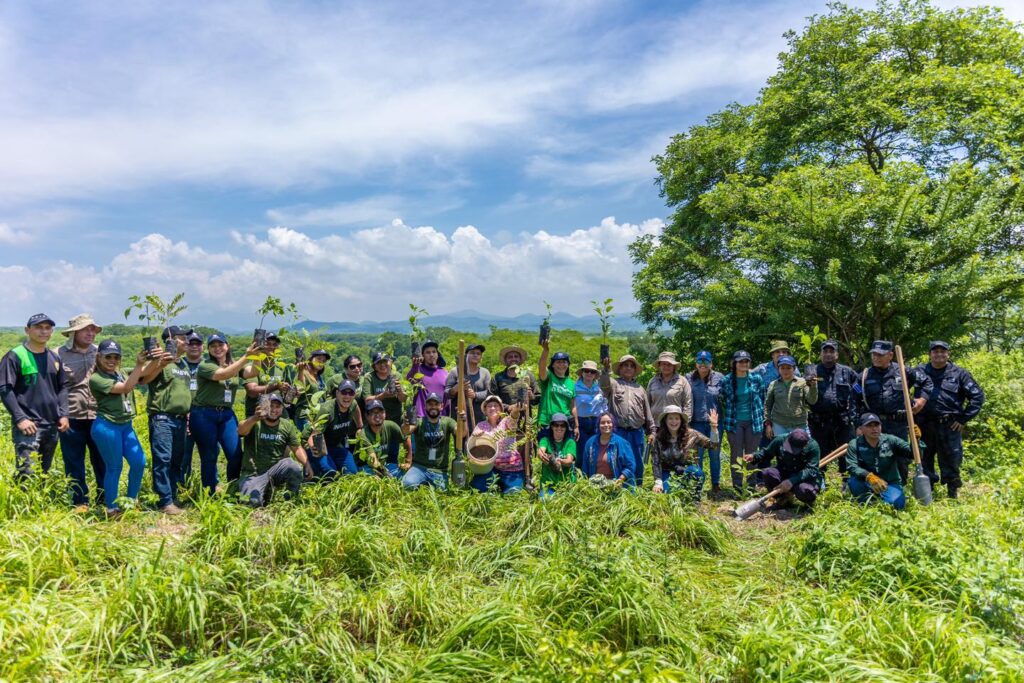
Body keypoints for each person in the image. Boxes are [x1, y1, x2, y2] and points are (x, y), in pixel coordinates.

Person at [88, 340, 154, 517]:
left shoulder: (121, 373)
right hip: (107, 426)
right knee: (114, 467)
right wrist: (140, 364)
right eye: (107, 356)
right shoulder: (97, 379)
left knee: (139, 462)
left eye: (116, 357)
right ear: (98, 357)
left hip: (125, 426)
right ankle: (111, 508)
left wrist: (157, 360)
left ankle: (130, 503)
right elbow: (126, 387)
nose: (112, 360)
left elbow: (143, 374)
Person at [0, 313, 69, 481]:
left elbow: (63, 387)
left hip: (52, 424)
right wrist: (20, 418)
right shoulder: (15, 356)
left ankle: (40, 507)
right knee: (27, 474)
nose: (43, 331)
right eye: (38, 327)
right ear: (27, 330)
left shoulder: (54, 357)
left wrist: (64, 414)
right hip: (29, 425)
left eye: (47, 328)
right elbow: (4, 389)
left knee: (44, 473)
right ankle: (26, 506)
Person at [190, 334, 261, 495]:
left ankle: (233, 489)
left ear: (227, 346)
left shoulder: (234, 365)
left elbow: (253, 371)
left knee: (235, 454)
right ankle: (209, 493)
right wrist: (246, 356)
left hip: (226, 414)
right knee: (209, 455)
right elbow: (222, 375)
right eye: (213, 346)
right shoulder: (205, 365)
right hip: (204, 414)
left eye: (220, 344)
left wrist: (256, 356)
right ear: (208, 350)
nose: (217, 348)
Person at [915, 341, 985, 498]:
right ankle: (927, 492)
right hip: (923, 424)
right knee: (924, 458)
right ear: (930, 354)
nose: (939, 354)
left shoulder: (959, 374)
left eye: (942, 351)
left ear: (948, 354)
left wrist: (963, 419)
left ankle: (952, 493)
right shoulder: (919, 372)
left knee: (952, 459)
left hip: (949, 425)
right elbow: (903, 389)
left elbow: (977, 397)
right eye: (935, 351)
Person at [140, 325, 195, 514]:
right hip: (163, 418)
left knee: (176, 460)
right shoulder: (161, 359)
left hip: (180, 420)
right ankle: (164, 501)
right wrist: (159, 364)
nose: (187, 341)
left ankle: (172, 496)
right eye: (182, 338)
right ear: (170, 339)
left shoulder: (183, 364)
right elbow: (144, 379)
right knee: (163, 459)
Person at [859, 340, 932, 482]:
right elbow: (854, 399)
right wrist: (858, 424)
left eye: (880, 355)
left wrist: (921, 400)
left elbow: (926, 382)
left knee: (901, 458)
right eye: (874, 354)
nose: (876, 357)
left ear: (890, 355)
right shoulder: (864, 376)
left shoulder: (904, 371)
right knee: (874, 458)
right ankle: (876, 492)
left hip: (899, 424)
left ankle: (900, 489)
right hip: (874, 425)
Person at [57, 314, 106, 510]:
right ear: (74, 333)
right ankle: (79, 501)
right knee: (74, 461)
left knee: (102, 459)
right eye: (86, 329)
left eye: (93, 329)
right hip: (71, 416)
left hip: (98, 414)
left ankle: (105, 499)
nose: (90, 333)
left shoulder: (101, 353)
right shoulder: (58, 354)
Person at [237, 393, 310, 507]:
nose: (274, 410)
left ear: (282, 409)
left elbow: (297, 448)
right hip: (254, 473)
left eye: (277, 406)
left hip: (276, 470)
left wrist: (307, 464)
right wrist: (255, 418)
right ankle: (264, 490)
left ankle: (289, 502)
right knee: (252, 503)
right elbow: (241, 430)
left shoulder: (286, 425)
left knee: (293, 467)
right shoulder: (255, 423)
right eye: (271, 406)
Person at [599, 354, 656, 483]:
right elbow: (603, 384)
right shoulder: (614, 384)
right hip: (619, 431)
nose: (628, 368)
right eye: (625, 365)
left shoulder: (640, 389)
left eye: (631, 366)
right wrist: (605, 369)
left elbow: (647, 411)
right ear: (619, 368)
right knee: (619, 459)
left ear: (635, 370)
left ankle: (637, 488)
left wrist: (651, 431)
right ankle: (618, 486)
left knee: (637, 461)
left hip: (637, 432)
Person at [807, 340, 859, 477]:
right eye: (825, 351)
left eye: (832, 351)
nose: (828, 354)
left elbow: (859, 391)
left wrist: (854, 414)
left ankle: (847, 482)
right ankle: (819, 482)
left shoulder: (847, 372)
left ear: (837, 354)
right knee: (818, 453)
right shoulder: (812, 372)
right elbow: (803, 393)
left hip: (842, 422)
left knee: (846, 454)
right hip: (820, 422)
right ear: (821, 354)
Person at [650, 405, 719, 502]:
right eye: (670, 418)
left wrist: (714, 427)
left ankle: (694, 499)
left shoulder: (692, 434)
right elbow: (656, 462)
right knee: (668, 494)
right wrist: (658, 482)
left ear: (681, 420)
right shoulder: (658, 438)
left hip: (688, 470)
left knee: (697, 473)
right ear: (665, 421)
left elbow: (713, 446)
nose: (674, 422)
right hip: (668, 471)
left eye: (677, 418)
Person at [846, 413, 914, 510]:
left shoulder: (891, 440)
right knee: (854, 482)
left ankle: (886, 496)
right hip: (866, 482)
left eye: (876, 425)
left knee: (896, 504)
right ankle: (867, 503)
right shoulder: (854, 444)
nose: (874, 429)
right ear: (861, 429)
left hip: (889, 483)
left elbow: (912, 454)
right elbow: (851, 466)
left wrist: (915, 440)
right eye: (869, 426)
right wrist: (869, 476)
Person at [719, 350, 766, 492]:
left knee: (752, 454)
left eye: (746, 361)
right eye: (740, 361)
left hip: (754, 421)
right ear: (734, 363)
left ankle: (751, 486)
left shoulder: (756, 378)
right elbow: (722, 400)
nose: (743, 364)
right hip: (734, 422)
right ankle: (737, 486)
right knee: (736, 455)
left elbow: (762, 398)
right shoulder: (726, 380)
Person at [744, 428, 823, 508]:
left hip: (803, 479)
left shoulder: (813, 446)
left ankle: (807, 505)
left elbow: (812, 470)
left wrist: (791, 481)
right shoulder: (780, 440)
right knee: (768, 473)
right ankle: (782, 499)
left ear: (804, 446)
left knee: (805, 490)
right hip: (785, 472)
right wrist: (754, 456)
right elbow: (766, 453)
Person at [401, 393, 460, 490]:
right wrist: (405, 424)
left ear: (441, 406)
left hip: (439, 470)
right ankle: (421, 481)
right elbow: (406, 431)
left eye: (436, 404)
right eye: (430, 404)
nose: (433, 407)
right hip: (419, 467)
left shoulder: (447, 422)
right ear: (425, 406)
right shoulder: (419, 421)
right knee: (407, 484)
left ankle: (426, 484)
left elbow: (461, 433)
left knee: (442, 492)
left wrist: (463, 420)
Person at [304, 379, 362, 477]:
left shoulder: (353, 404)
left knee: (352, 474)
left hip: (335, 445)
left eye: (351, 393)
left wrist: (360, 426)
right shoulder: (327, 410)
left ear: (354, 394)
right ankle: (312, 466)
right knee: (331, 473)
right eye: (344, 392)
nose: (347, 396)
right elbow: (313, 436)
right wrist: (314, 449)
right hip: (318, 445)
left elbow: (356, 409)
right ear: (337, 393)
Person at [469, 394, 523, 493]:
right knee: (476, 489)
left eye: (496, 405)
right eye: (489, 406)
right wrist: (475, 437)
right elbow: (472, 446)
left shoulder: (506, 422)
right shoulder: (481, 425)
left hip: (511, 469)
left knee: (514, 493)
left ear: (501, 410)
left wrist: (516, 410)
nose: (493, 408)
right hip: (490, 469)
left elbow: (514, 418)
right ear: (485, 411)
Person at [689, 351, 724, 494]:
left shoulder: (719, 378)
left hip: (714, 424)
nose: (703, 365)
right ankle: (699, 484)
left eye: (706, 362)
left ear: (711, 364)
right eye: (700, 362)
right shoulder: (688, 378)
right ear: (696, 363)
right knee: (698, 456)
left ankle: (715, 484)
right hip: (696, 423)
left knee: (714, 455)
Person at [763, 355, 817, 439]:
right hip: (779, 425)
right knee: (782, 450)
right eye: (782, 368)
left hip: (799, 425)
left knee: (803, 449)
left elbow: (812, 400)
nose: (785, 370)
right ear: (778, 369)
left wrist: (813, 386)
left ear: (794, 368)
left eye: (788, 368)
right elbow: (767, 405)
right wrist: (768, 424)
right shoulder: (773, 384)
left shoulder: (802, 382)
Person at [354, 399, 408, 477]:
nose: (377, 415)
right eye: (373, 412)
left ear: (385, 413)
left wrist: (408, 461)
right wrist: (387, 476)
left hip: (383, 464)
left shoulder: (391, 425)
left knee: (403, 474)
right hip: (366, 466)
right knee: (375, 479)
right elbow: (373, 462)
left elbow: (406, 439)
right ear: (366, 416)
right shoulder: (363, 434)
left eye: (380, 412)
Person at [445, 343, 491, 432]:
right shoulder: (455, 372)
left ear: (481, 358)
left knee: (478, 444)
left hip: (479, 417)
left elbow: (489, 393)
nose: (475, 355)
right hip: (460, 416)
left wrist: (475, 395)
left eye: (478, 354)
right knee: (460, 444)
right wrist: (456, 388)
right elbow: (446, 393)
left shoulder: (485, 373)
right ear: (466, 355)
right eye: (472, 353)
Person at [580, 413, 635, 487]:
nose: (606, 425)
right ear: (598, 425)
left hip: (616, 485)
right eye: (602, 423)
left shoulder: (622, 443)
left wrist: (620, 480)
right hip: (596, 485)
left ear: (613, 424)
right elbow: (585, 467)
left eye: (609, 422)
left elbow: (630, 466)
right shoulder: (590, 443)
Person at [537, 339, 577, 439]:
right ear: (553, 365)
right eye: (558, 362)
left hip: (564, 423)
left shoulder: (571, 383)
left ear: (568, 365)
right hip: (547, 421)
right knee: (544, 452)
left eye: (564, 362)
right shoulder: (549, 377)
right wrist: (545, 350)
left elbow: (573, 407)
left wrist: (576, 426)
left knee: (564, 453)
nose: (561, 365)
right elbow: (541, 366)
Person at [243, 332, 289, 418]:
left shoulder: (281, 367)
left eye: (275, 344)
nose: (271, 347)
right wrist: (276, 386)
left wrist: (290, 391)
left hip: (279, 415)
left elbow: (286, 395)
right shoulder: (253, 367)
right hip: (257, 414)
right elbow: (252, 391)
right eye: (267, 344)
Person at [284, 348, 331, 431]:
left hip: (317, 415)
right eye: (318, 359)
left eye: (323, 361)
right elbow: (300, 389)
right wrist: (301, 370)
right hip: (305, 416)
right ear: (311, 359)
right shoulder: (304, 373)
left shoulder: (319, 377)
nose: (321, 362)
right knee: (309, 442)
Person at [574, 360, 608, 463]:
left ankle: (593, 473)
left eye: (592, 372)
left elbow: (603, 404)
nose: (589, 373)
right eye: (586, 371)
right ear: (582, 373)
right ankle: (580, 474)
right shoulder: (575, 387)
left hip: (596, 422)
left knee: (595, 450)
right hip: (581, 422)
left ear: (595, 375)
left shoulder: (599, 388)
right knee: (581, 450)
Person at [537, 412, 576, 497]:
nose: (559, 428)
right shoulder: (545, 440)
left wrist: (560, 461)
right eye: (556, 425)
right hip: (548, 484)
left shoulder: (570, 442)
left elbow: (569, 460)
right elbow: (540, 452)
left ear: (566, 428)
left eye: (562, 425)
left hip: (566, 484)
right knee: (545, 502)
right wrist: (543, 456)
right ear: (552, 426)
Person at [361, 352, 407, 425]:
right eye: (379, 362)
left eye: (385, 361)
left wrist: (400, 391)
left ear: (390, 362)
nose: (382, 365)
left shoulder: (397, 375)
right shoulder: (369, 377)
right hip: (376, 420)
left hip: (395, 419)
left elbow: (403, 399)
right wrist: (383, 395)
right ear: (374, 366)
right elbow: (367, 401)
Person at [647, 351, 693, 423]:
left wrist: (685, 423)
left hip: (675, 425)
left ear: (674, 366)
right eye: (663, 364)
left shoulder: (682, 381)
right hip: (656, 424)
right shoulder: (652, 381)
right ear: (659, 365)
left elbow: (688, 403)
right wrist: (648, 423)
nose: (666, 367)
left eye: (669, 364)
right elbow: (647, 404)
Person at [407, 340, 450, 418]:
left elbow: (447, 398)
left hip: (441, 418)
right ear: (422, 356)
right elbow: (409, 378)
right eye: (428, 352)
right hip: (422, 417)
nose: (431, 355)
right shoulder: (418, 370)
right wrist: (415, 364)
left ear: (438, 354)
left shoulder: (445, 373)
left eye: (434, 352)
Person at [489, 345, 539, 410]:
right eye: (510, 357)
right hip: (504, 416)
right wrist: (507, 407)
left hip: (525, 416)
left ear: (520, 359)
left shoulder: (528, 375)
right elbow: (492, 398)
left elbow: (538, 397)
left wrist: (531, 396)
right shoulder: (497, 377)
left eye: (516, 356)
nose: (513, 359)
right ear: (505, 360)